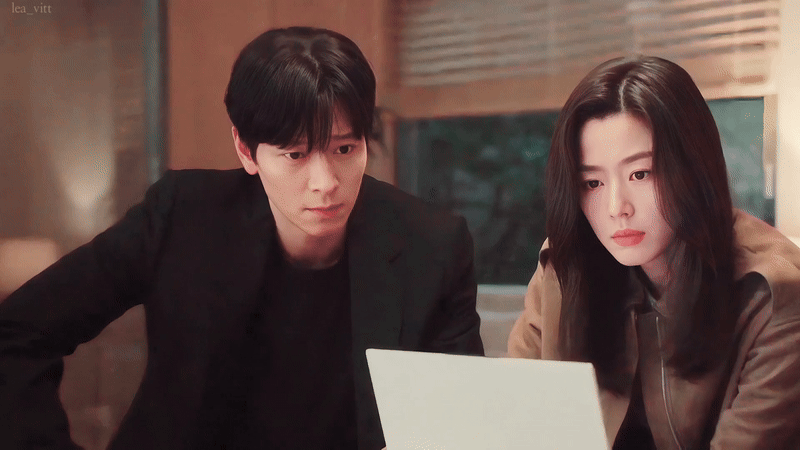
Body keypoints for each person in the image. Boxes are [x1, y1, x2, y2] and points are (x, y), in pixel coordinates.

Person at [0, 27, 484, 450]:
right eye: (295, 155)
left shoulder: (433, 245)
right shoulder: (184, 216)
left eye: (344, 149)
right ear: (246, 150)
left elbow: (464, 417)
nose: (326, 183)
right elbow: (19, 332)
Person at [507, 55, 800, 449]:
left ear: (693, 168)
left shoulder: (775, 294)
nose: (617, 207)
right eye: (592, 183)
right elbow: (515, 419)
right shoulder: (564, 265)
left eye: (640, 174)